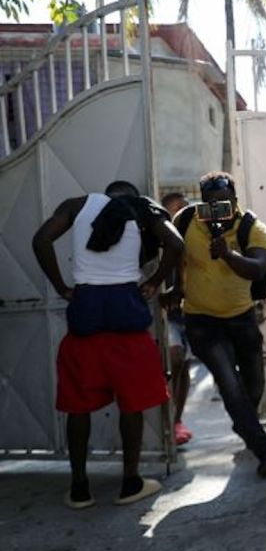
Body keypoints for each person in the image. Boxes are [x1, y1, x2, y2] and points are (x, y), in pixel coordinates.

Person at [31, 180, 182, 508]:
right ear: (131, 196)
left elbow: (41, 239)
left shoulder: (77, 205)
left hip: (85, 315)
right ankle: (130, 482)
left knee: (78, 406)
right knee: (132, 404)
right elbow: (177, 245)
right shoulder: (142, 209)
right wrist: (155, 282)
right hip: (127, 314)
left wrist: (60, 285)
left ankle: (79, 488)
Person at [175, 172, 266, 477]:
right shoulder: (186, 221)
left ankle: (244, 425)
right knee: (229, 384)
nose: (216, 208)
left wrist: (228, 254)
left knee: (254, 386)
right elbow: (170, 252)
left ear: (235, 201)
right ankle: (265, 452)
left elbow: (259, 268)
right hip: (201, 319)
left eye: (224, 202)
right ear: (201, 202)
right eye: (210, 203)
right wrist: (172, 287)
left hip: (241, 317)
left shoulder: (251, 227)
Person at [160, 191, 193, 445]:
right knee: (175, 359)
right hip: (166, 313)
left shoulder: (197, 236)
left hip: (192, 311)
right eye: (177, 209)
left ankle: (177, 419)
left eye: (186, 207)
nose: (182, 212)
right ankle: (167, 422)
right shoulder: (158, 238)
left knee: (183, 368)